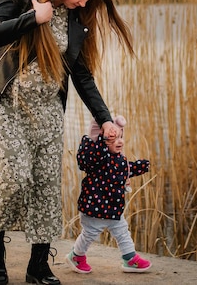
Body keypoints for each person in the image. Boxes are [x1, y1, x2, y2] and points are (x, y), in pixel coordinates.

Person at [0, 0, 134, 285]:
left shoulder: (78, 16)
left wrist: (105, 119)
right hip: (4, 101)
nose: (83, 3)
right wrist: (33, 19)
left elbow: (80, 74)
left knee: (45, 185)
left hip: (47, 108)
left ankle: (39, 266)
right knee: (13, 175)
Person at [66, 114, 151, 274]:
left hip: (113, 207)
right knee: (90, 233)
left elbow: (126, 169)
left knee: (122, 230)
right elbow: (90, 155)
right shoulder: (97, 159)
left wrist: (143, 166)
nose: (118, 142)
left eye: (120, 138)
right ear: (102, 143)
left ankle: (129, 258)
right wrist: (97, 138)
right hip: (94, 207)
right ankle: (76, 256)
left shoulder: (118, 159)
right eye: (112, 140)